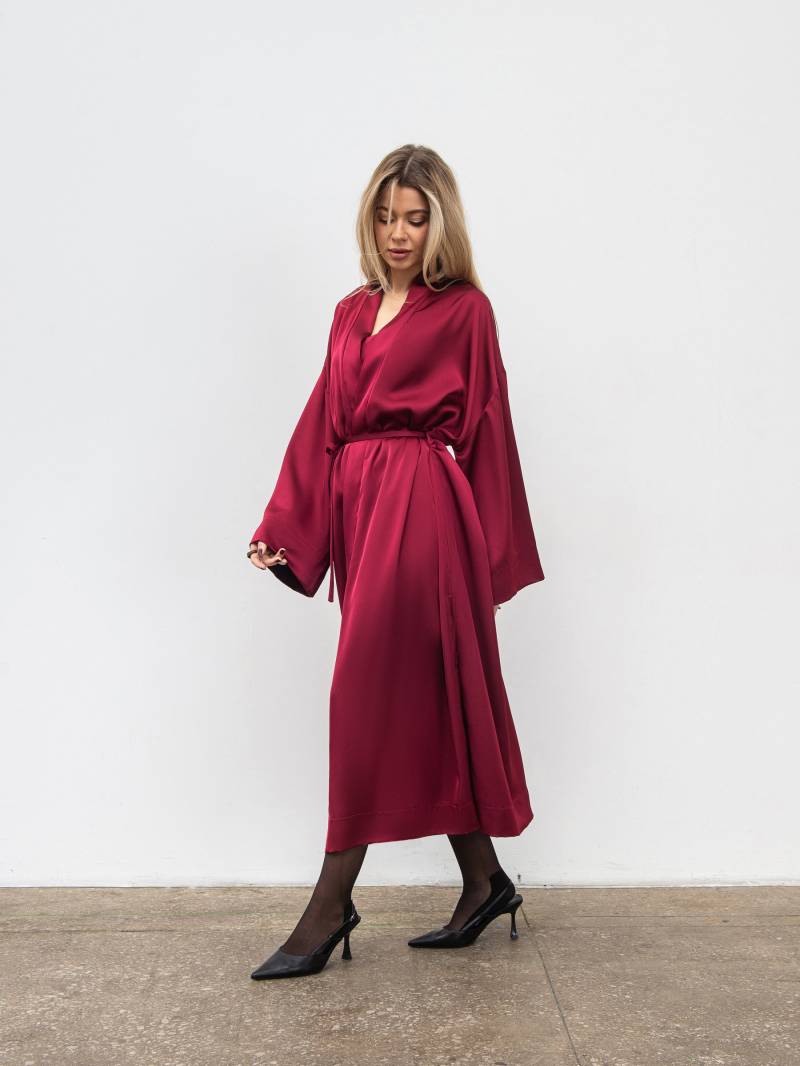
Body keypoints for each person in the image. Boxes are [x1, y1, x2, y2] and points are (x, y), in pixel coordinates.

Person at [247, 144, 545, 980]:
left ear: (439, 223)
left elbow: (488, 427)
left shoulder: (466, 313)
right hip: (360, 513)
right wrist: (286, 527)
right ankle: (484, 881)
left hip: (423, 511)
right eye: (385, 217)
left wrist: (490, 560)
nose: (399, 233)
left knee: (363, 694)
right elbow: (323, 421)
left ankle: (330, 900)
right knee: (419, 694)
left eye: (415, 218)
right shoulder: (350, 312)